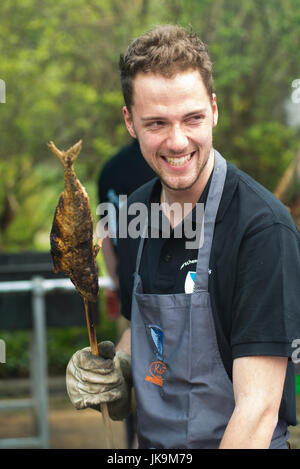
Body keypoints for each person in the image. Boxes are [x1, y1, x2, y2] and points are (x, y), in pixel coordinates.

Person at [66, 25, 300, 449]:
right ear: (129, 122)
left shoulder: (261, 228)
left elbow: (258, 409)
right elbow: (150, 331)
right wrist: (119, 369)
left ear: (213, 110)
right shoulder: (135, 211)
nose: (177, 141)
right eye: (156, 123)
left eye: (192, 118)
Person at [97, 139, 155, 448]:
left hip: (133, 292)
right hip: (167, 292)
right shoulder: (176, 159)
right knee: (137, 377)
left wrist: (117, 279)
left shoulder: (111, 168)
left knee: (132, 383)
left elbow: (104, 232)